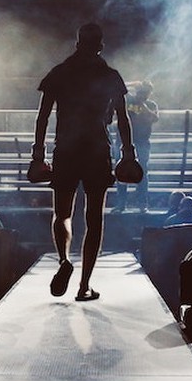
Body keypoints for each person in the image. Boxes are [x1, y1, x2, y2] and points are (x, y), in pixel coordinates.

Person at [32, 22, 136, 302]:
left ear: (77, 43)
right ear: (100, 45)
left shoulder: (60, 73)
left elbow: (42, 117)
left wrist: (37, 155)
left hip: (65, 150)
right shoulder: (110, 76)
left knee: (62, 214)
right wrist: (129, 153)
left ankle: (64, 259)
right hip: (96, 150)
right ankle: (84, 286)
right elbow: (123, 119)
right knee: (94, 220)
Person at [113, 80, 159, 213]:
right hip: (123, 142)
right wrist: (134, 84)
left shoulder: (150, 105)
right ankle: (121, 204)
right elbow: (118, 88)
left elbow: (154, 118)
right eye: (141, 91)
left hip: (142, 142)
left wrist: (142, 103)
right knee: (121, 172)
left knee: (143, 172)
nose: (143, 94)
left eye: (146, 92)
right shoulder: (128, 101)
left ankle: (142, 204)